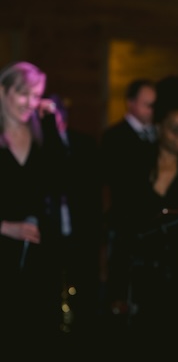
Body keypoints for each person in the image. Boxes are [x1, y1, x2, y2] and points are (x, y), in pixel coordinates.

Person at [121, 75, 178, 357]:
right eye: (175, 129)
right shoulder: (138, 166)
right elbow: (123, 221)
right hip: (142, 278)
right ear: (160, 127)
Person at [0, 61, 65, 347]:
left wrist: (52, 124)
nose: (31, 102)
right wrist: (6, 227)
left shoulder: (41, 136)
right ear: (3, 91)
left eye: (37, 94)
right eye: (23, 93)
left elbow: (63, 180)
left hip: (40, 257)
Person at [43, 93, 104, 340]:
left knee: (84, 294)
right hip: (50, 231)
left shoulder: (84, 144)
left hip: (81, 230)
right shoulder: (39, 144)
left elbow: (91, 191)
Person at [99, 78, 157, 318]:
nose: (152, 110)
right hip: (125, 221)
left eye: (155, 105)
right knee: (121, 281)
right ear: (131, 104)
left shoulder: (155, 134)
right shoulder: (115, 136)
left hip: (150, 222)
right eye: (147, 104)